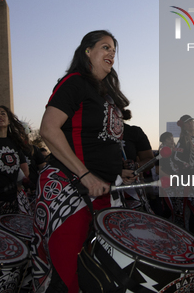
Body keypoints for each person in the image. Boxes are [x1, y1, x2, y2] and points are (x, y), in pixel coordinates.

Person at [31, 30, 133, 292]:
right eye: (105, 47)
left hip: (103, 193)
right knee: (67, 277)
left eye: (114, 50)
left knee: (99, 276)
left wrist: (119, 170)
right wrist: (86, 175)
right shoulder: (74, 82)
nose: (111, 53)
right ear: (87, 51)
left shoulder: (106, 95)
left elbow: (98, 141)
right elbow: (49, 130)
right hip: (71, 190)